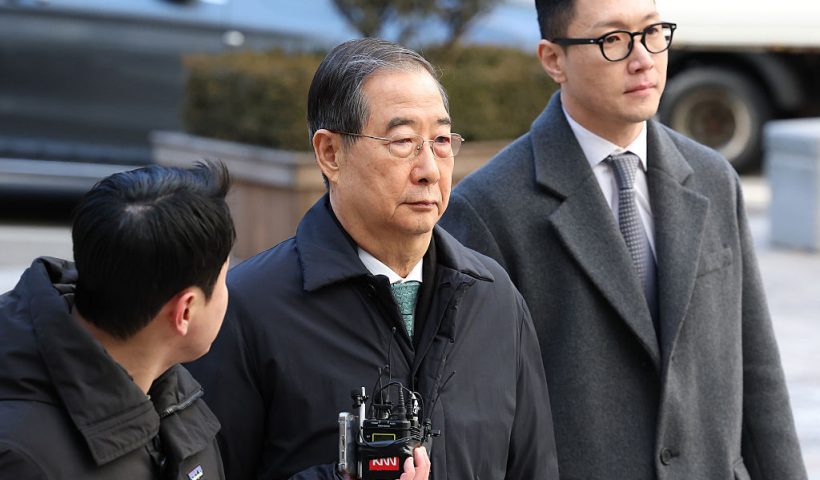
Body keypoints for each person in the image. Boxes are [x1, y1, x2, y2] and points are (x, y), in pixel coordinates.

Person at [439, 0, 808, 478]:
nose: (643, 58)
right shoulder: (488, 208)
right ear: (553, 59)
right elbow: (477, 416)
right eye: (612, 40)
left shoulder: (713, 177)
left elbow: (758, 372)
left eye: (654, 32)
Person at [186, 38, 559, 480]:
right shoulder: (247, 309)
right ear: (330, 154)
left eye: (441, 140)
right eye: (402, 141)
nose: (429, 170)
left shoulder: (495, 298)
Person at [0, 161, 236, 479]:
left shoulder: (166, 382)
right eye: (223, 279)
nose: (228, 293)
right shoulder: (22, 458)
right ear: (185, 311)